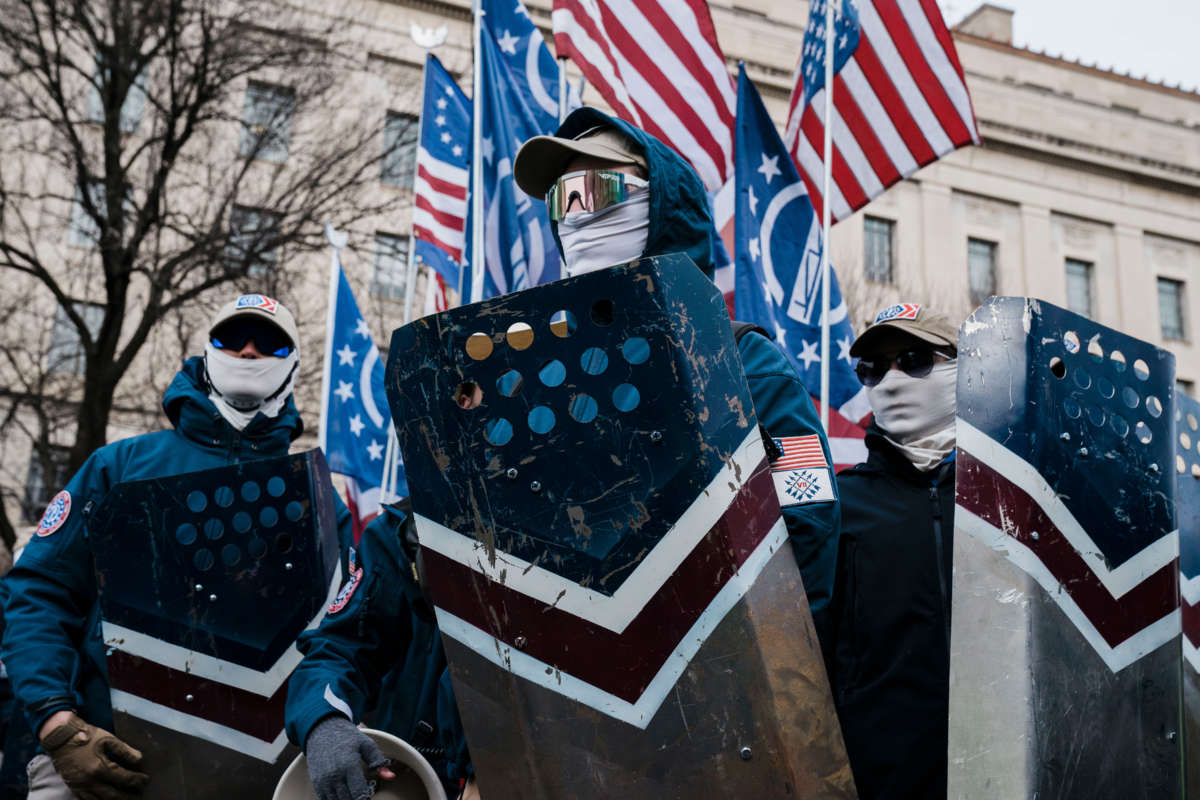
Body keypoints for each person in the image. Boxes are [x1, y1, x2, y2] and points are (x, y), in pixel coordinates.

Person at [287, 107, 841, 798]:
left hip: (703, 759)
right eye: (561, 200)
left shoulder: (745, 365)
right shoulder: (515, 373)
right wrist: (324, 718)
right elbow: (379, 589)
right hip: (518, 764)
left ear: (660, 203)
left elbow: (803, 552)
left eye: (599, 192)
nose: (577, 216)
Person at [1, 293, 351, 800]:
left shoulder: (318, 501)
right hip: (103, 762)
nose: (249, 352)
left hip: (256, 776)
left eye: (269, 342)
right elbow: (39, 592)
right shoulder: (119, 467)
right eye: (233, 338)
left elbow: (344, 636)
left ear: (293, 364)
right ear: (207, 352)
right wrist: (58, 723)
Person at [825, 303, 959, 800]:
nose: (892, 379)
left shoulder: (1006, 498)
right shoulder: (840, 506)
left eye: (914, 358)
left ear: (960, 369)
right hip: (881, 779)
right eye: (873, 368)